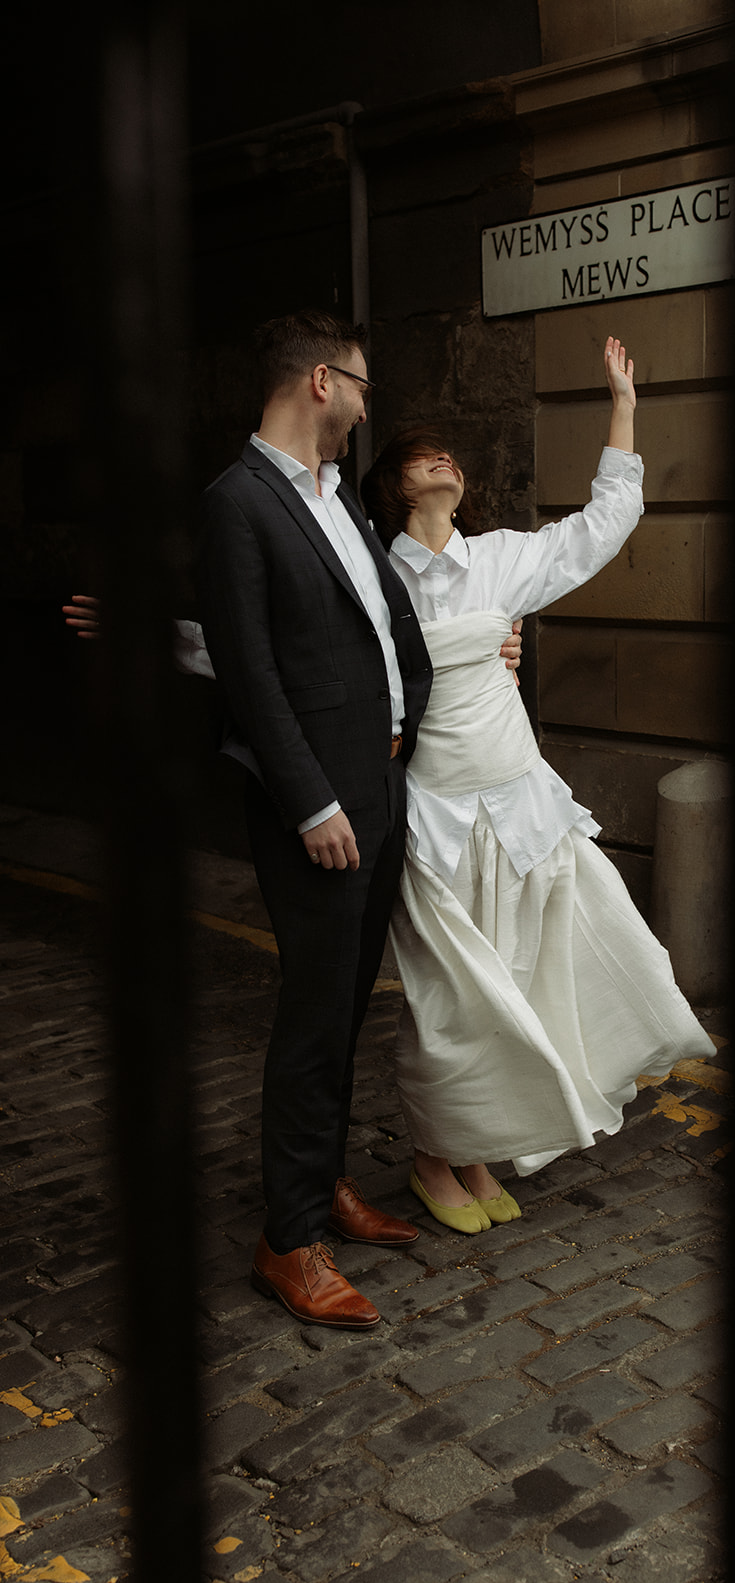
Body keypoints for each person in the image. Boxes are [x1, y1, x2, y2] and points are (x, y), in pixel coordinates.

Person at [180, 310, 521, 1330]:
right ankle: (287, 1243)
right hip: (318, 806)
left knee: (346, 1014)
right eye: (364, 384)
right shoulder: (237, 503)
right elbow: (249, 670)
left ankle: (322, 1187)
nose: (373, 405)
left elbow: (382, 626)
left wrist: (459, 669)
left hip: (380, 783)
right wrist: (311, 800)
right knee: (311, 1020)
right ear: (320, 381)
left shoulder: (334, 499)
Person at [358, 336, 714, 1233]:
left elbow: (601, 526)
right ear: (398, 486)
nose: (444, 460)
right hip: (436, 814)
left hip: (520, 804)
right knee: (454, 996)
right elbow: (285, 652)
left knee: (517, 979)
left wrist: (622, 405)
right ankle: (436, 1155)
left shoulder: (501, 559)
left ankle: (476, 1145)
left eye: (448, 454)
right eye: (420, 455)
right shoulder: (372, 576)